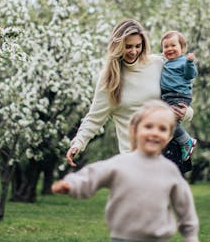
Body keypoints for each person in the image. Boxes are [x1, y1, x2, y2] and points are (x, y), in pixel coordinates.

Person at [52, 100, 199, 242]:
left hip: (157, 238)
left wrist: (191, 234)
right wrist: (71, 185)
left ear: (169, 135)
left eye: (162, 129)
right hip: (122, 237)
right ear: (135, 131)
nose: (154, 133)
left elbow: (184, 204)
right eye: (148, 127)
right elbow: (93, 175)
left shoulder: (169, 170)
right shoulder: (121, 163)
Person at [65, 19, 193, 171]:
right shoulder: (110, 79)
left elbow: (179, 94)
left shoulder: (158, 64)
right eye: (128, 47)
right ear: (117, 47)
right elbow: (94, 118)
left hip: (168, 151)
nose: (133, 51)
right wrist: (78, 143)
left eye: (138, 46)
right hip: (134, 157)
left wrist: (187, 112)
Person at [160, 30, 198, 162]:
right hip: (168, 96)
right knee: (167, 121)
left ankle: (186, 141)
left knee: (169, 121)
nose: (169, 49)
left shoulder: (183, 61)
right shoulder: (165, 63)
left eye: (173, 45)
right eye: (166, 46)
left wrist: (189, 62)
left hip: (178, 96)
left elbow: (190, 75)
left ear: (182, 48)